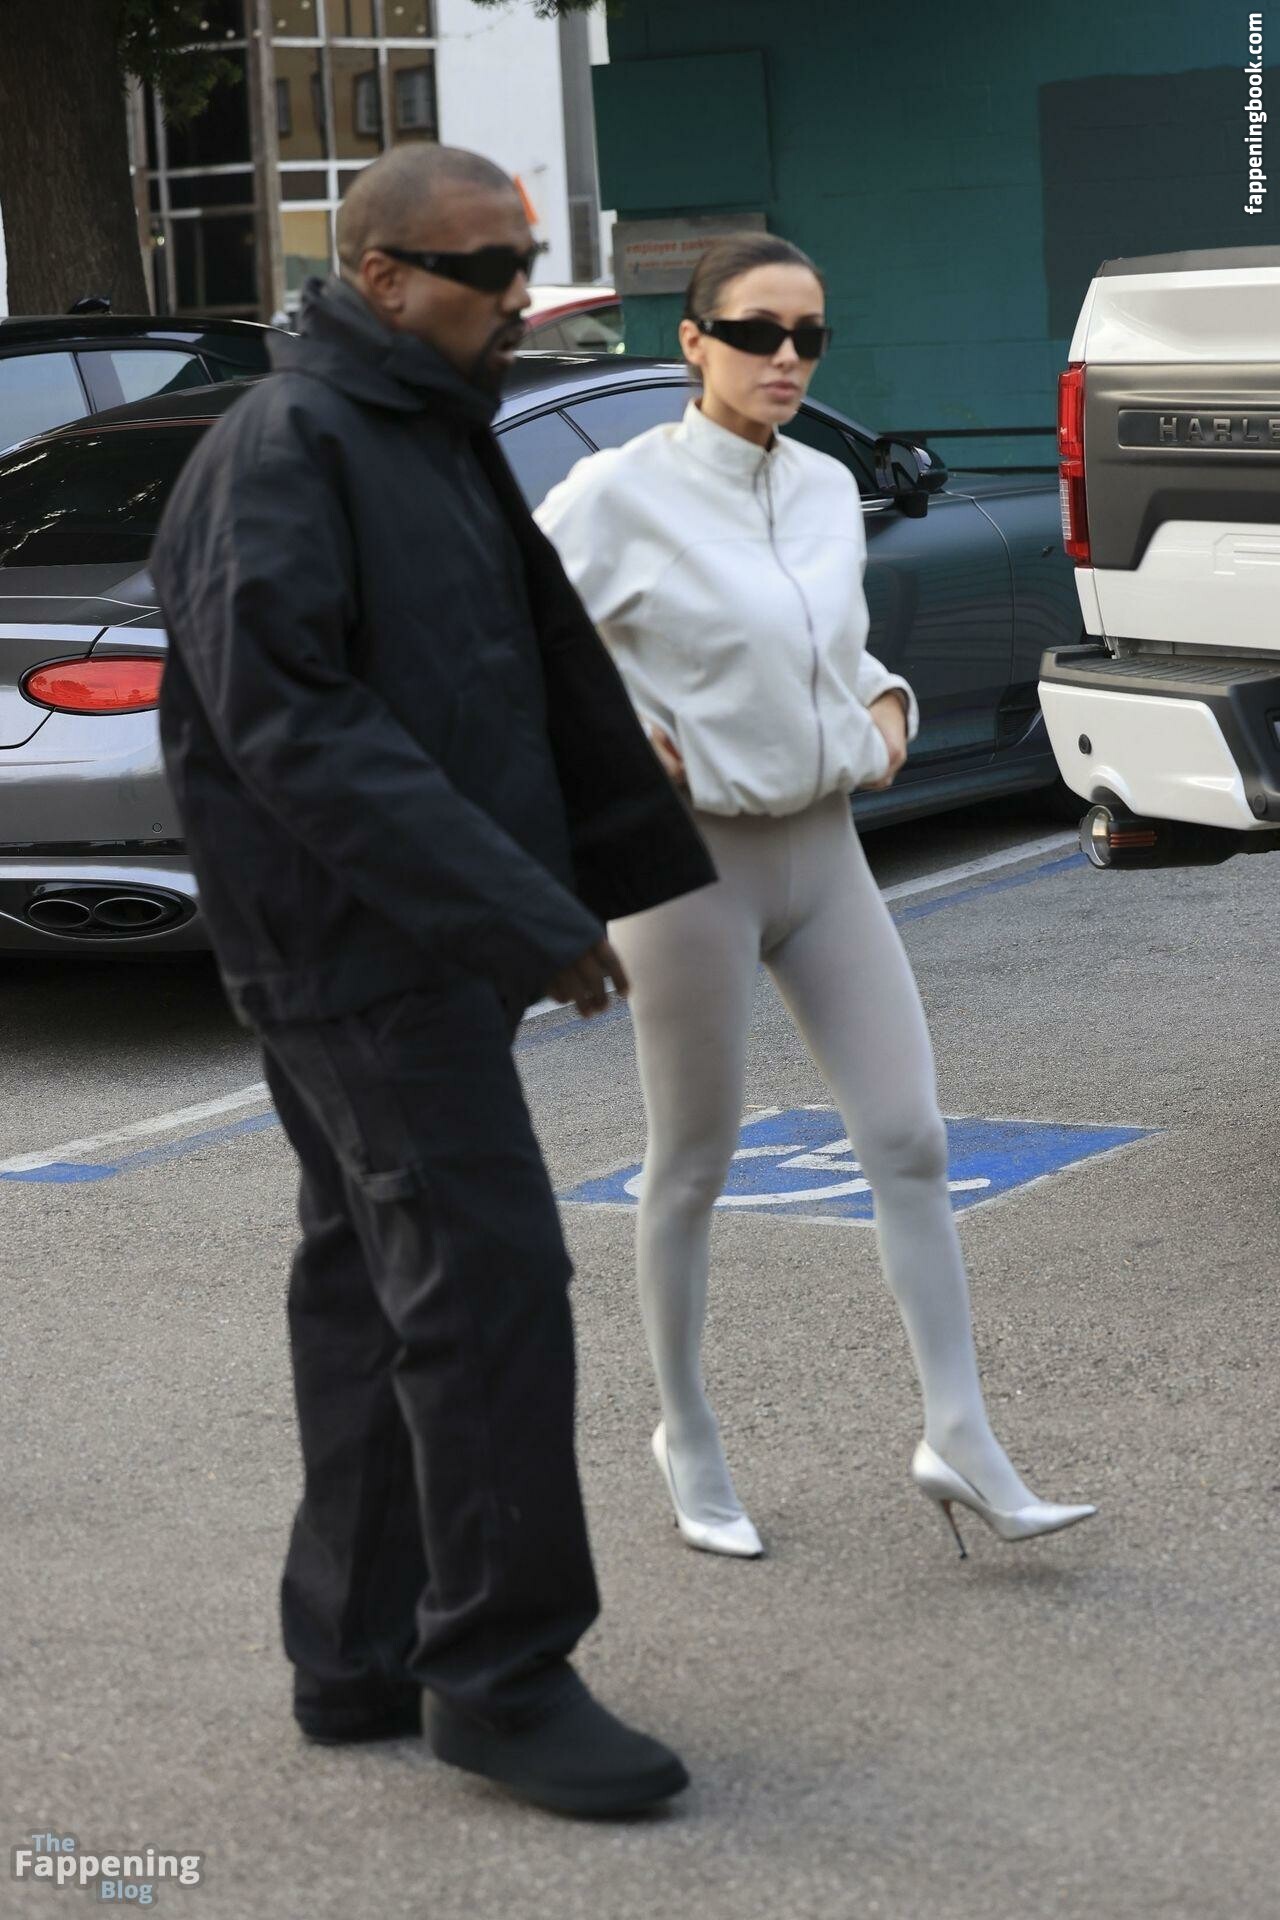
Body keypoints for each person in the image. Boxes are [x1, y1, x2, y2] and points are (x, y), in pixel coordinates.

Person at [149, 145, 717, 1817]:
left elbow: (508, 673)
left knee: (372, 1284)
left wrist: (589, 858)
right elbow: (298, 729)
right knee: (487, 1285)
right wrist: (519, 914)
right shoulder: (287, 445)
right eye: (486, 269)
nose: (518, 296)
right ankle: (501, 1677)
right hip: (357, 954)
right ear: (381, 276)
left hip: (418, 943)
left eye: (526, 261)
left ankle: (358, 1651)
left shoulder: (426, 429)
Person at [536, 234, 1097, 1561]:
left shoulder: (827, 486)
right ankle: (687, 1433)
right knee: (692, 1162)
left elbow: (822, 644)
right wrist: (612, 742)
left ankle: (959, 1434)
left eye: (808, 336)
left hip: (827, 849)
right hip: (688, 870)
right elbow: (510, 644)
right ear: (693, 341)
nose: (784, 357)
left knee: (911, 1140)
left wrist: (887, 699)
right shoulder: (618, 493)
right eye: (755, 332)